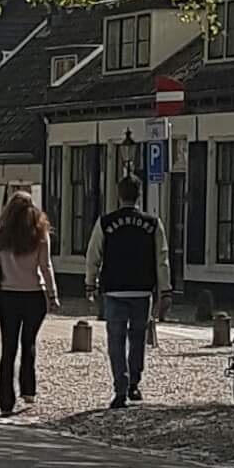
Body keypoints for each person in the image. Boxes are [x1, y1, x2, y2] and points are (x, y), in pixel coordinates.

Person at [85, 174, 172, 409]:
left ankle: (120, 387)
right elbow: (161, 258)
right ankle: (134, 381)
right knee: (137, 338)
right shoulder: (152, 223)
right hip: (142, 289)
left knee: (116, 339)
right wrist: (165, 290)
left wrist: (90, 283)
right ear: (139, 194)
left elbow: (94, 253)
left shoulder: (106, 222)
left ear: (118, 194)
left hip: (114, 289)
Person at [0, 189, 58, 417]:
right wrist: (52, 295)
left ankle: (5, 400)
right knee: (29, 343)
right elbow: (46, 267)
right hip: (33, 295)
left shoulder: (0, 235)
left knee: (8, 348)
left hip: (8, 295)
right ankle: (28, 390)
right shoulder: (40, 234)